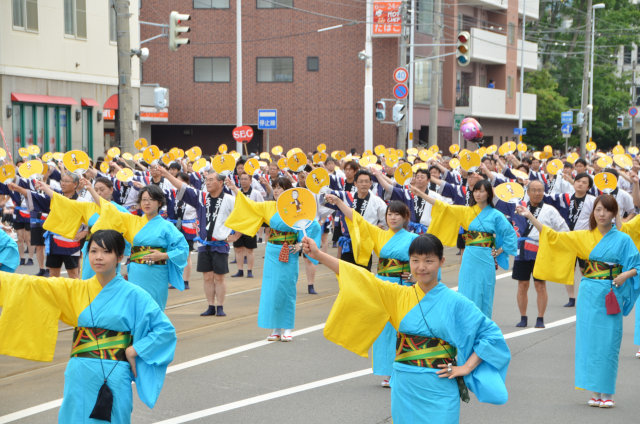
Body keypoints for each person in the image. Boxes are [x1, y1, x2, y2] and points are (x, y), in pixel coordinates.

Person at [302, 234, 510, 424]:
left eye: (429, 261)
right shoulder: (397, 295)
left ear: (441, 262)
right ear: (409, 262)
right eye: (415, 261)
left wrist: (466, 368)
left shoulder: (456, 302)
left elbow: (490, 335)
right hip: (404, 384)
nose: (422, 267)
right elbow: (360, 277)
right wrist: (319, 254)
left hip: (439, 387)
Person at [0, 230, 177, 423]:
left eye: (106, 252)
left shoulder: (135, 295)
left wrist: (135, 350)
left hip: (114, 374)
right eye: (93, 251)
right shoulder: (77, 289)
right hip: (79, 372)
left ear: (119, 257)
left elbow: (164, 331)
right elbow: (32, 285)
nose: (98, 257)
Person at [518, 194, 640, 408]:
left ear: (614, 214)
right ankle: (594, 392)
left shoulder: (623, 239)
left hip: (611, 292)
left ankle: (607, 393)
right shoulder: (583, 236)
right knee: (589, 342)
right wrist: (530, 216)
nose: (601, 214)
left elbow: (637, 265)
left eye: (606, 210)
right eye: (598, 209)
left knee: (609, 343)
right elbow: (553, 237)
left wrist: (625, 275)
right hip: (589, 292)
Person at [43, 184, 189, 310]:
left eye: (151, 200)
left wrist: (163, 255)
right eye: (144, 199)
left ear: (159, 203)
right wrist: (51, 191)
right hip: (137, 271)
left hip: (156, 273)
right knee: (135, 307)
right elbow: (109, 209)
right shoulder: (131, 220)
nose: (147, 203)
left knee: (154, 307)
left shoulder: (167, 226)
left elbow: (183, 248)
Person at [327, 196, 418, 388]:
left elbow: (423, 260)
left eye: (397, 215)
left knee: (400, 328)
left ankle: (400, 370)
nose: (392, 218)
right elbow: (357, 219)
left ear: (406, 217)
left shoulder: (414, 239)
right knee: (384, 329)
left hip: (402, 288)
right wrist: (338, 203)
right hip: (382, 284)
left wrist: (414, 277)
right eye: (389, 214)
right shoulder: (379, 234)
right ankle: (387, 371)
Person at [225, 177, 321, 342]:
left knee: (287, 289)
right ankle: (276, 328)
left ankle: (288, 327)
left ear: (288, 191)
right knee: (272, 290)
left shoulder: (296, 209)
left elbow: (313, 225)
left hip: (289, 250)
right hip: (272, 251)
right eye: (275, 187)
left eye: (280, 188)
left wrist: (300, 245)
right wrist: (234, 188)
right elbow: (249, 205)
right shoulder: (268, 206)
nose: (276, 191)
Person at [413, 180, 517, 318]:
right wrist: (420, 194)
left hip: (486, 258)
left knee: (484, 292)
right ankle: (466, 325)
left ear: (489, 194)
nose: (478, 194)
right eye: (475, 191)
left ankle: (483, 328)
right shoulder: (466, 211)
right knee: (466, 292)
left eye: (481, 191)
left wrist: (499, 251)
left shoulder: (496, 214)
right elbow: (443, 207)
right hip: (469, 257)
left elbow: (510, 233)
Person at [159, 167, 235, 316]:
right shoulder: (201, 196)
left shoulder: (229, 199)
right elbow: (183, 187)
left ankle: (220, 306)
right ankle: (210, 305)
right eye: (206, 180)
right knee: (207, 276)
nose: (208, 183)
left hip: (220, 244)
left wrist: (236, 235)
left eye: (211, 180)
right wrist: (167, 175)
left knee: (219, 277)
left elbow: (242, 215)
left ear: (221, 182)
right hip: (203, 243)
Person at [504, 180, 569, 328]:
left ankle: (540, 318)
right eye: (534, 190)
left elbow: (563, 229)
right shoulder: (519, 208)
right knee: (522, 285)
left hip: (541, 250)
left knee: (540, 285)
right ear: (527, 192)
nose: (537, 193)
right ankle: (523, 317)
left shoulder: (549, 210)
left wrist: (553, 241)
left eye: (540, 190)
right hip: (522, 251)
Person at [231, 173, 264, 278]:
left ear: (250, 181)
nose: (243, 181)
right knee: (238, 248)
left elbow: (261, 207)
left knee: (249, 249)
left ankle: (249, 270)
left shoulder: (256, 193)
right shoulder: (237, 192)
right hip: (239, 224)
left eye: (246, 179)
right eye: (242, 179)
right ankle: (240, 270)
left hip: (250, 224)